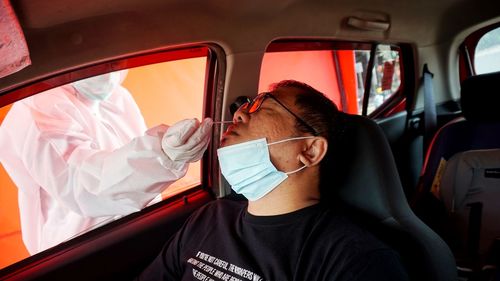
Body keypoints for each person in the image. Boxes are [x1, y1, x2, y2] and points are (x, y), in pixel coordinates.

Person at [136, 80, 409, 280]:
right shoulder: (210, 217)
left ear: (309, 150)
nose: (239, 113)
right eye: (246, 107)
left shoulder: (355, 259)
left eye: (264, 109)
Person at [0, 70, 212, 254]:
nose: (112, 70)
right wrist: (162, 154)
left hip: (141, 227)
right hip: (80, 247)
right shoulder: (38, 109)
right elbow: (85, 187)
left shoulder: (118, 97)